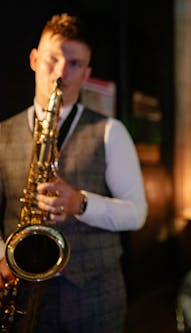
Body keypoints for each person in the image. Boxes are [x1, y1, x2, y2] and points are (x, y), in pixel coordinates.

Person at [0, 13, 147, 332]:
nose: (61, 72)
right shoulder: (2, 134)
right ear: (34, 59)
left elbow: (137, 214)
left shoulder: (111, 131)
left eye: (75, 64)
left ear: (87, 73)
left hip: (95, 297)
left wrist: (81, 203)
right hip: (21, 294)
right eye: (52, 59)